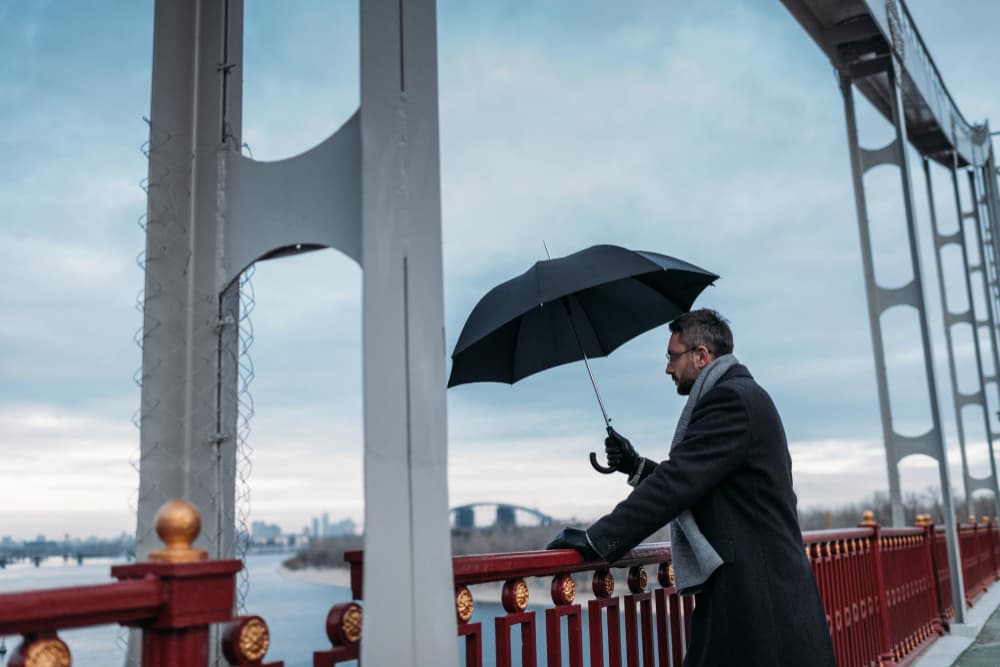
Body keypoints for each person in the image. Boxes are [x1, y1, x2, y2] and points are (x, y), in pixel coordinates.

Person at [546, 309, 835, 666]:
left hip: (756, 594)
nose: (668, 368)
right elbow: (700, 480)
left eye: (672, 356)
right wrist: (634, 466)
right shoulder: (742, 394)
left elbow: (679, 482)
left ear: (701, 356)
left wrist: (596, 540)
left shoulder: (730, 401)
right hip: (755, 587)